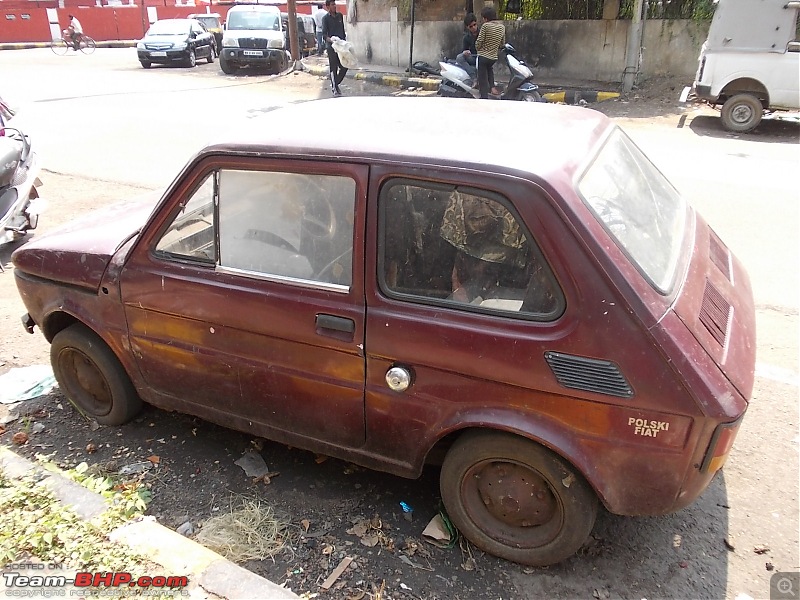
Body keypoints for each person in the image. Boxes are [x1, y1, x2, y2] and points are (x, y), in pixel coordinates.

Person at [475, 6, 505, 99]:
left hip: (483, 56)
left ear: (486, 18)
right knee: (489, 70)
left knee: (482, 80)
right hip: (493, 57)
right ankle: (492, 88)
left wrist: (478, 47)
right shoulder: (502, 27)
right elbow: (502, 43)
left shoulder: (486, 26)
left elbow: (479, 41)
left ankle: (484, 98)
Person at [322, 0, 347, 97]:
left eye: (335, 4)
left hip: (341, 46)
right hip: (331, 47)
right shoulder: (325, 19)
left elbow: (343, 31)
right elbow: (324, 35)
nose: (334, 6)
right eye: (332, 5)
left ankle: (335, 83)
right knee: (334, 67)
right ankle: (335, 88)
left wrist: (344, 43)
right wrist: (331, 40)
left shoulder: (339, 16)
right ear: (328, 7)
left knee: (345, 65)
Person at [455, 13, 478, 81]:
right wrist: (465, 52)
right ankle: (474, 77)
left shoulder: (482, 33)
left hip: (482, 56)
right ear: (468, 27)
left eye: (474, 25)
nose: (473, 27)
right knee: (459, 57)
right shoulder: (466, 37)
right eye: (471, 26)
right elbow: (464, 50)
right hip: (473, 56)